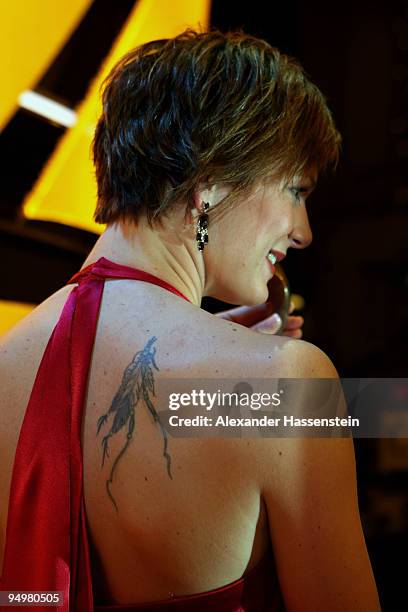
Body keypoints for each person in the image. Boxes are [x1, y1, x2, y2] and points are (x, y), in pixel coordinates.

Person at [0, 29, 381, 611]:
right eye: (294, 189)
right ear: (210, 185)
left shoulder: (5, 365)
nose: (304, 230)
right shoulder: (285, 385)